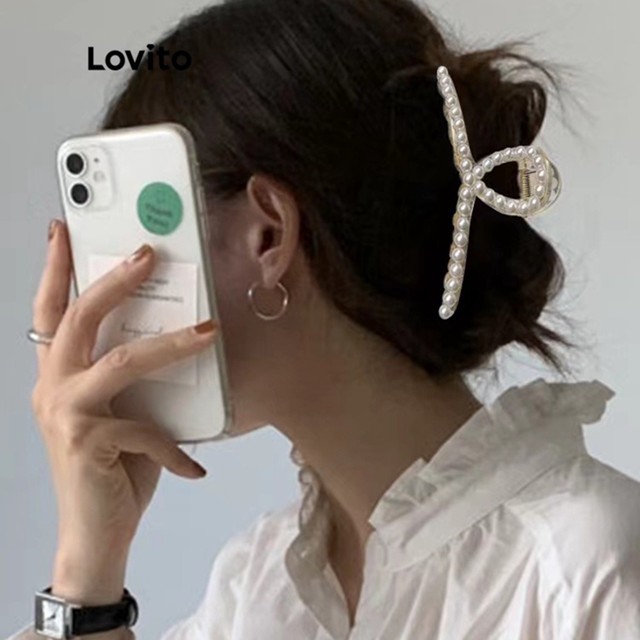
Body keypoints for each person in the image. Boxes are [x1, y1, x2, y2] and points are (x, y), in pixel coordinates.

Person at [10, 0, 640, 638]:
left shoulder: (587, 569)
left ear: (268, 235)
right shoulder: (255, 587)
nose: (101, 297)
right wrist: (87, 573)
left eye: (141, 243)